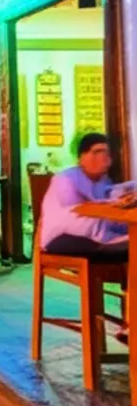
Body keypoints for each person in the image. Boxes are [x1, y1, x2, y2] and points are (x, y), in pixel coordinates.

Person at [40, 132, 128, 344]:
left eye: (107, 153)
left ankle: (129, 323)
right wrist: (112, 206)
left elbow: (110, 218)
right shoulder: (66, 179)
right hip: (63, 239)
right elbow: (79, 211)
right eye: (97, 152)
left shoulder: (105, 183)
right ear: (81, 157)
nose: (104, 158)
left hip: (97, 237)